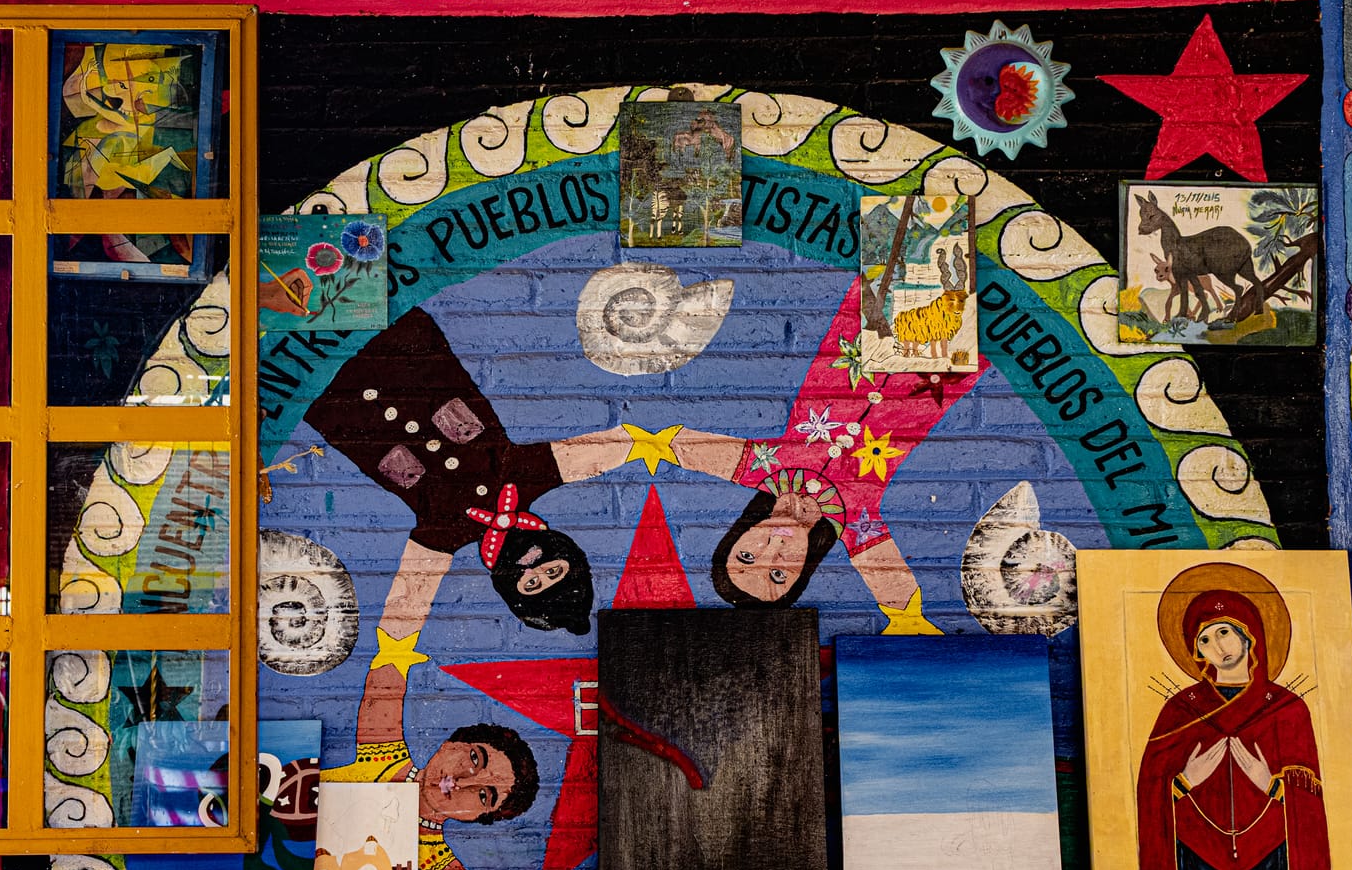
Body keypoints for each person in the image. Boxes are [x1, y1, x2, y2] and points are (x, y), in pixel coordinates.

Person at [301, 307, 631, 667]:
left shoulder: (443, 531)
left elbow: (403, 618)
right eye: (553, 571)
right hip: (390, 329)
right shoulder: (528, 472)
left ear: (509, 588)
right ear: (568, 554)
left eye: (532, 584)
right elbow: (630, 443)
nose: (533, 567)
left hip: (317, 384)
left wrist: (391, 672)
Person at [669, 276, 985, 631]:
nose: (772, 550)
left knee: (918, 257)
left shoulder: (764, 465)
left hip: (870, 321)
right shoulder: (855, 523)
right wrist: (907, 619)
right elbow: (893, 590)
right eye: (777, 574)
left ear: (737, 536)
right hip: (941, 365)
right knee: (972, 290)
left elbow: (683, 448)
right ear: (803, 570)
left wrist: (637, 445)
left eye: (746, 555)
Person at [1134, 588, 1329, 870]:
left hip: (1272, 848)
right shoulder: (1182, 709)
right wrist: (1186, 781)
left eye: (1224, 631)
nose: (1217, 645)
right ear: (1197, 651)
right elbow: (1150, 788)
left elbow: (1312, 801)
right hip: (1194, 848)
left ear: (1247, 634)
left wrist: (1271, 784)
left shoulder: (1286, 708)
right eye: (1205, 640)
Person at [321, 659, 540, 870]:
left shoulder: (432, 863)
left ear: (478, 818)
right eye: (474, 758)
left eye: (484, 796)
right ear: (450, 743)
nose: (461, 782)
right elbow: (393, 654)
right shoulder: (381, 756)